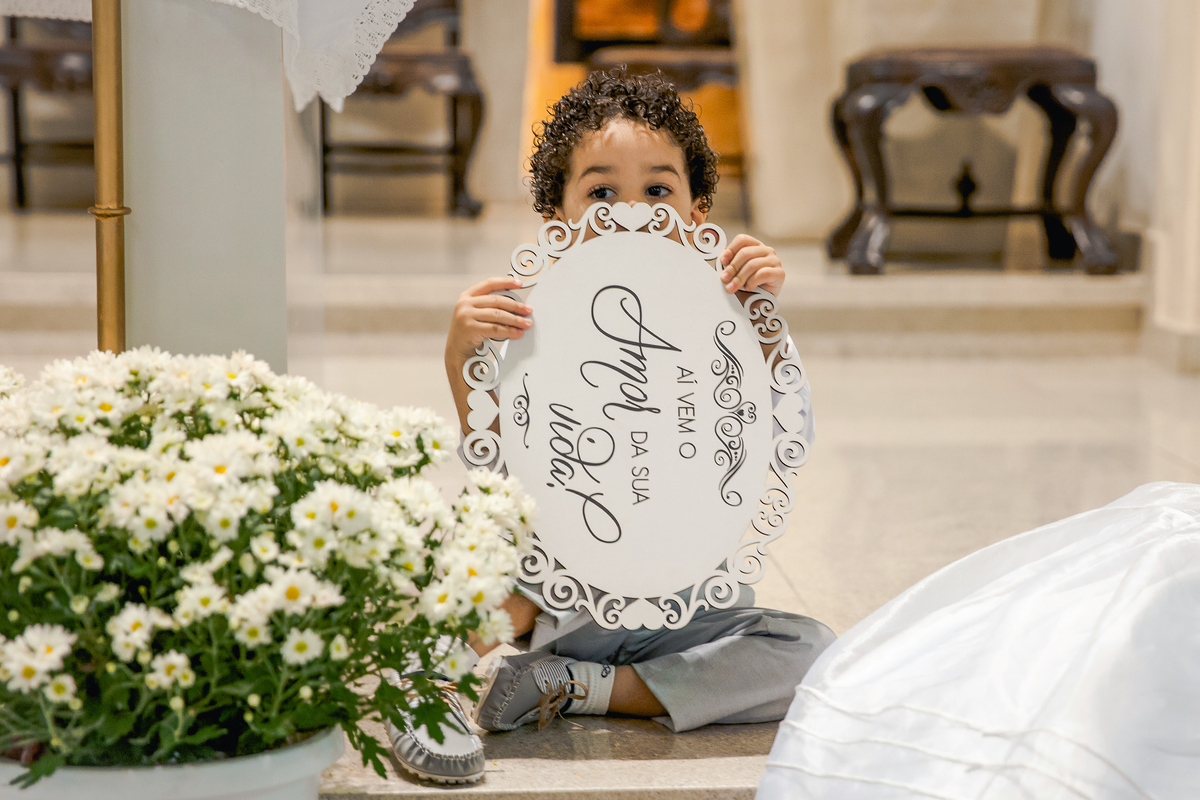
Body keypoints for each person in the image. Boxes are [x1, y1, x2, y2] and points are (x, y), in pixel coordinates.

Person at [387, 68, 836, 785]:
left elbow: (788, 439)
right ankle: (424, 673)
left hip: (678, 608)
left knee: (813, 652)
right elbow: (500, 470)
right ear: (557, 221)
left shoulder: (724, 318)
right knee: (525, 549)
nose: (631, 212)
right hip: (551, 593)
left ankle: (573, 687)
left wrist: (764, 329)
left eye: (658, 191)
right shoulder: (534, 321)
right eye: (602, 193)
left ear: (697, 212)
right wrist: (461, 354)